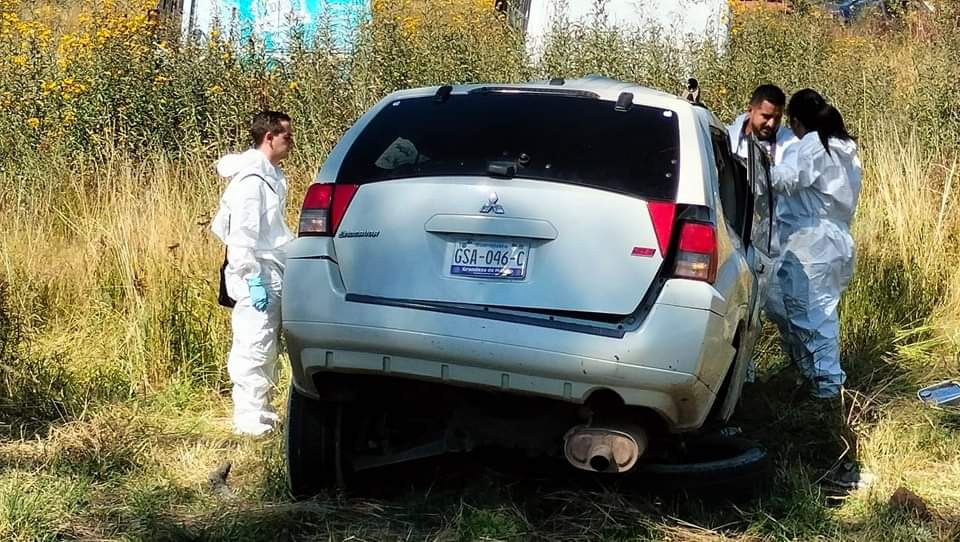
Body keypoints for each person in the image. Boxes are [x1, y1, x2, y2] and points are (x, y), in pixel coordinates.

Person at [765, 90, 862, 399]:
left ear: (795, 121)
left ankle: (827, 389)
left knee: (814, 315)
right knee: (781, 303)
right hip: (832, 239)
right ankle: (809, 375)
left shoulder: (813, 144)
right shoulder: (845, 148)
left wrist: (759, 166)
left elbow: (788, 180)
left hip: (812, 242)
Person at [211, 111, 296, 436]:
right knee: (253, 343)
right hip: (254, 274)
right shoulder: (251, 182)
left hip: (271, 268)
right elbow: (242, 237)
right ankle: (249, 418)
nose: (291, 141)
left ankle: (262, 412)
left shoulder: (271, 175)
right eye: (286, 136)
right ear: (269, 137)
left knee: (267, 344)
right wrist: (252, 278)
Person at [727, 84, 798, 165]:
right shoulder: (726, 138)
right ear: (750, 111)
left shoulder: (792, 144)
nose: (771, 124)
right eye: (766, 116)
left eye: (777, 118)